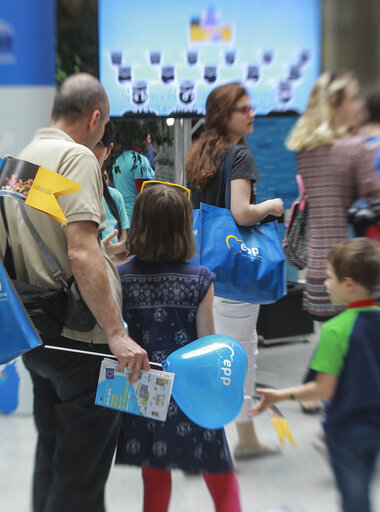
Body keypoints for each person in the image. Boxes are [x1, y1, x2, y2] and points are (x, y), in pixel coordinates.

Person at [0, 73, 149, 512]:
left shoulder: (18, 164)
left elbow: (13, 248)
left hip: (39, 334)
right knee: (82, 474)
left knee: (54, 456)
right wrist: (116, 333)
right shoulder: (77, 158)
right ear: (95, 118)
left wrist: (102, 257)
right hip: (84, 341)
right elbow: (78, 252)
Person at [284, 71, 380, 413]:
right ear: (335, 104)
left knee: (329, 344)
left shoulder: (306, 149)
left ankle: (320, 404)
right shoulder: (354, 148)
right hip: (350, 268)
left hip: (318, 266)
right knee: (358, 349)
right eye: (355, 99)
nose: (361, 106)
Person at [250, 237, 380, 512]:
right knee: (363, 494)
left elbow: (323, 389)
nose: (325, 283)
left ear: (349, 284)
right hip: (378, 427)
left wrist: (280, 395)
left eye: (330, 277)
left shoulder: (336, 330)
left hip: (345, 429)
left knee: (353, 499)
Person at [116, 183, 241, 512]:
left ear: (138, 223)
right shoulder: (200, 279)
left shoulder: (120, 278)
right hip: (192, 395)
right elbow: (207, 346)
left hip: (142, 392)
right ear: (185, 227)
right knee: (218, 468)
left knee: (155, 474)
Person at [186, 82, 284, 459]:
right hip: (235, 269)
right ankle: (223, 440)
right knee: (239, 353)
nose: (251, 113)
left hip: (205, 266)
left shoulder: (201, 153)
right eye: (243, 108)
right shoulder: (239, 155)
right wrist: (272, 205)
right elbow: (242, 212)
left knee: (220, 349)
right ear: (224, 115)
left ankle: (242, 436)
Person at [93, 121, 130, 245]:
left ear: (108, 150)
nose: (88, 152)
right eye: (84, 144)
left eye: (97, 144)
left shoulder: (114, 197)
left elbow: (123, 233)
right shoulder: (66, 193)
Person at [111, 123, 155, 219]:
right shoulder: (140, 160)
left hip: (121, 216)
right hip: (137, 218)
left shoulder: (117, 161)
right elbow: (144, 195)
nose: (150, 142)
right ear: (141, 141)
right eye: (148, 139)